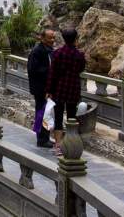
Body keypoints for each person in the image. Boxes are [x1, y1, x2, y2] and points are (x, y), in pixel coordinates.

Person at [45, 28, 86, 156]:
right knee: (71, 118)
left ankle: (58, 146)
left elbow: (52, 74)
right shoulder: (79, 56)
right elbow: (81, 69)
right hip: (73, 89)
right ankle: (70, 145)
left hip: (59, 89)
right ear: (75, 39)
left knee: (58, 118)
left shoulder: (57, 54)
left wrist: (49, 90)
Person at [27, 29, 55, 148]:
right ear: (42, 38)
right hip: (40, 88)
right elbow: (33, 70)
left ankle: (45, 137)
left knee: (46, 112)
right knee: (41, 112)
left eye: (54, 37)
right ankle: (41, 139)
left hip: (47, 88)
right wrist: (49, 72)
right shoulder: (37, 51)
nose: (52, 40)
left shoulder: (49, 51)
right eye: (50, 38)